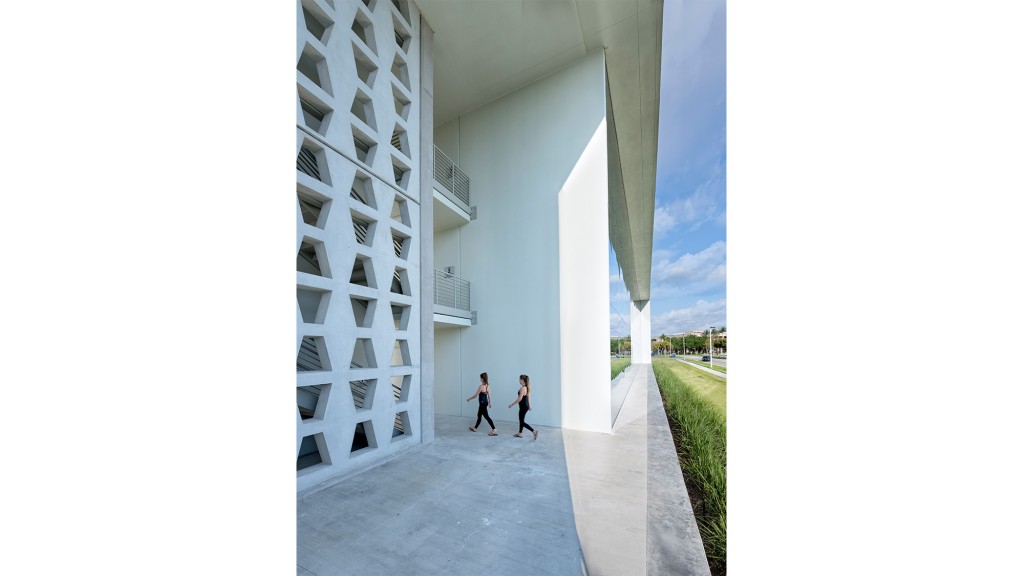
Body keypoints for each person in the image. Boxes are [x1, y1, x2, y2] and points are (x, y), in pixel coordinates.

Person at [508, 374, 537, 440]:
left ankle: (534, 431)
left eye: (520, 379)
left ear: (523, 380)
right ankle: (520, 433)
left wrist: (512, 404)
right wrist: (529, 406)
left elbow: (519, 399)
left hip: (523, 406)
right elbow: (528, 397)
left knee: (521, 421)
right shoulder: (527, 387)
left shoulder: (522, 388)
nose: (519, 380)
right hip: (525, 406)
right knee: (521, 420)